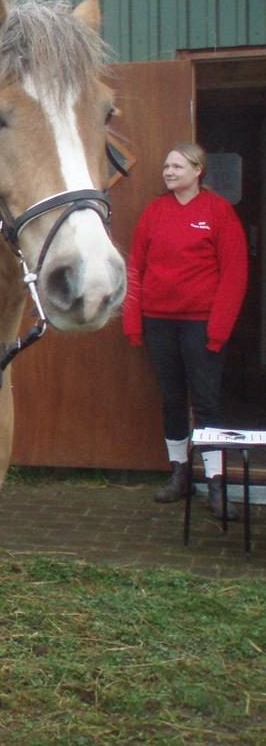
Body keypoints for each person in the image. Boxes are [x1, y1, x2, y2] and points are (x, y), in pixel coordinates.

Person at [123, 143, 248, 519]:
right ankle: (179, 473)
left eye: (177, 166)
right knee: (172, 399)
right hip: (159, 322)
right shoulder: (154, 212)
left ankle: (214, 481)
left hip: (201, 325)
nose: (168, 171)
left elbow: (235, 275)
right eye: (166, 166)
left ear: (198, 170)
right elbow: (135, 268)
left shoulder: (218, 212)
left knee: (207, 402)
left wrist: (218, 330)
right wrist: (133, 322)